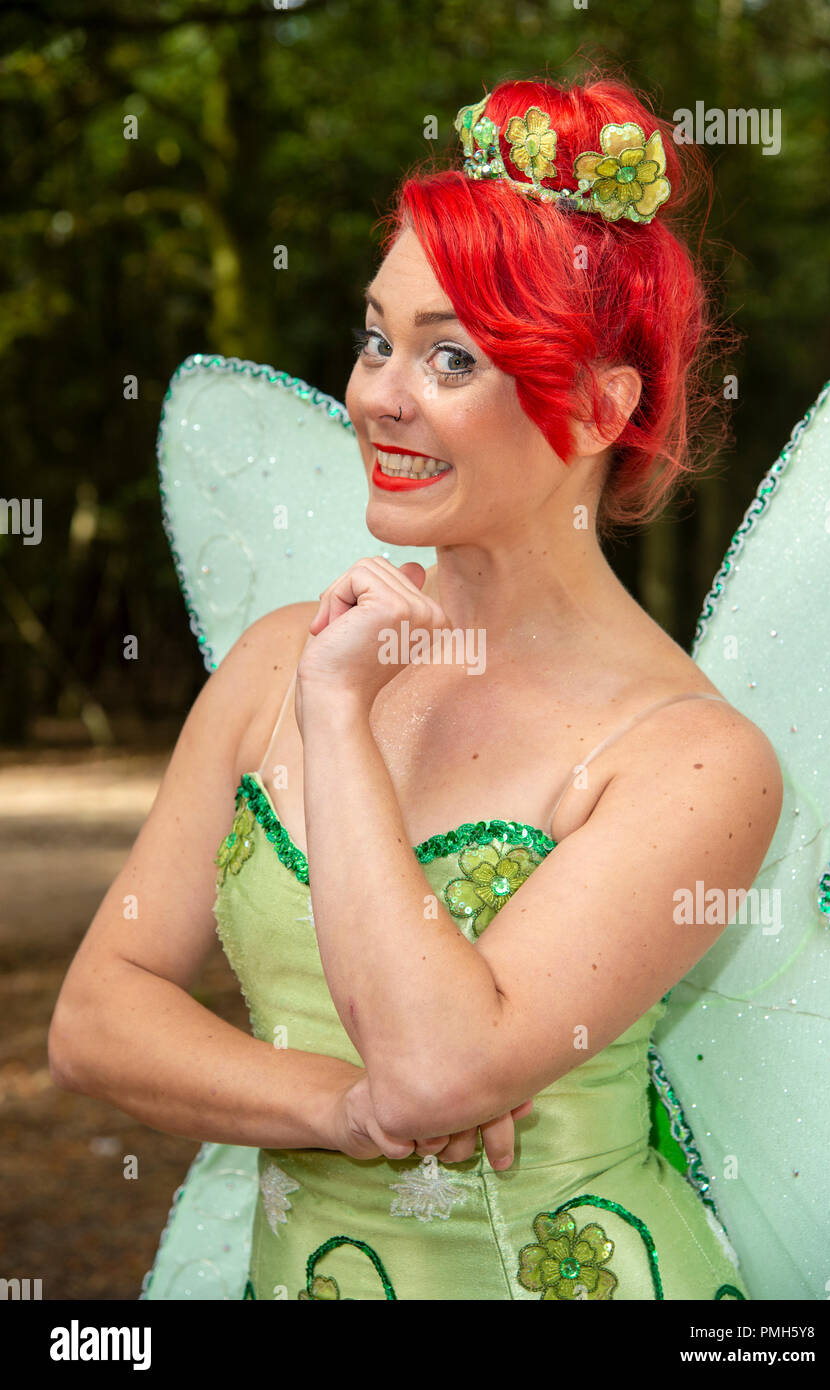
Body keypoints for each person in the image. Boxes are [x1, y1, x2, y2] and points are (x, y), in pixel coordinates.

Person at [49, 71, 784, 1301]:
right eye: (377, 338)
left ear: (601, 404)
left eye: (450, 358)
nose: (377, 394)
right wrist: (335, 1107)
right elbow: (95, 1014)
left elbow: (442, 1072)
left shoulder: (690, 757)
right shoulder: (277, 656)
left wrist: (336, 719)